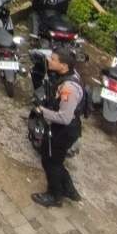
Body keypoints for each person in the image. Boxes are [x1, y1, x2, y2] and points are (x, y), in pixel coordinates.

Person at [32, 48, 85, 208]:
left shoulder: (69, 87)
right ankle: (69, 189)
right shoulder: (71, 75)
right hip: (65, 129)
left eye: (53, 59)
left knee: (50, 162)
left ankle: (55, 196)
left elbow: (64, 117)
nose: (49, 60)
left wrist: (43, 111)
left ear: (63, 66)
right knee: (56, 160)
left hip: (64, 130)